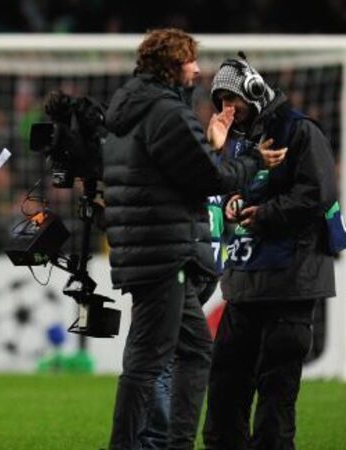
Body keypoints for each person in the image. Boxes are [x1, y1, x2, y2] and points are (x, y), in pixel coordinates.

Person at [101, 28, 271, 450]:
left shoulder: (129, 110)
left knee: (192, 351)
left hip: (145, 249)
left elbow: (177, 172)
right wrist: (253, 160)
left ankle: (173, 444)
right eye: (191, 61)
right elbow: (209, 178)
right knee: (149, 362)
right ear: (173, 65)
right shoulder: (166, 112)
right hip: (165, 254)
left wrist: (211, 146)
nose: (197, 69)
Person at [202, 54, 338, 450]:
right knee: (226, 379)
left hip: (292, 278)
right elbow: (231, 187)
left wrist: (264, 215)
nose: (228, 109)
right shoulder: (236, 140)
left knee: (276, 388)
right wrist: (233, 202)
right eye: (221, 102)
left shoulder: (300, 131)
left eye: (233, 99)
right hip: (246, 279)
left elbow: (318, 193)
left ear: (254, 90)